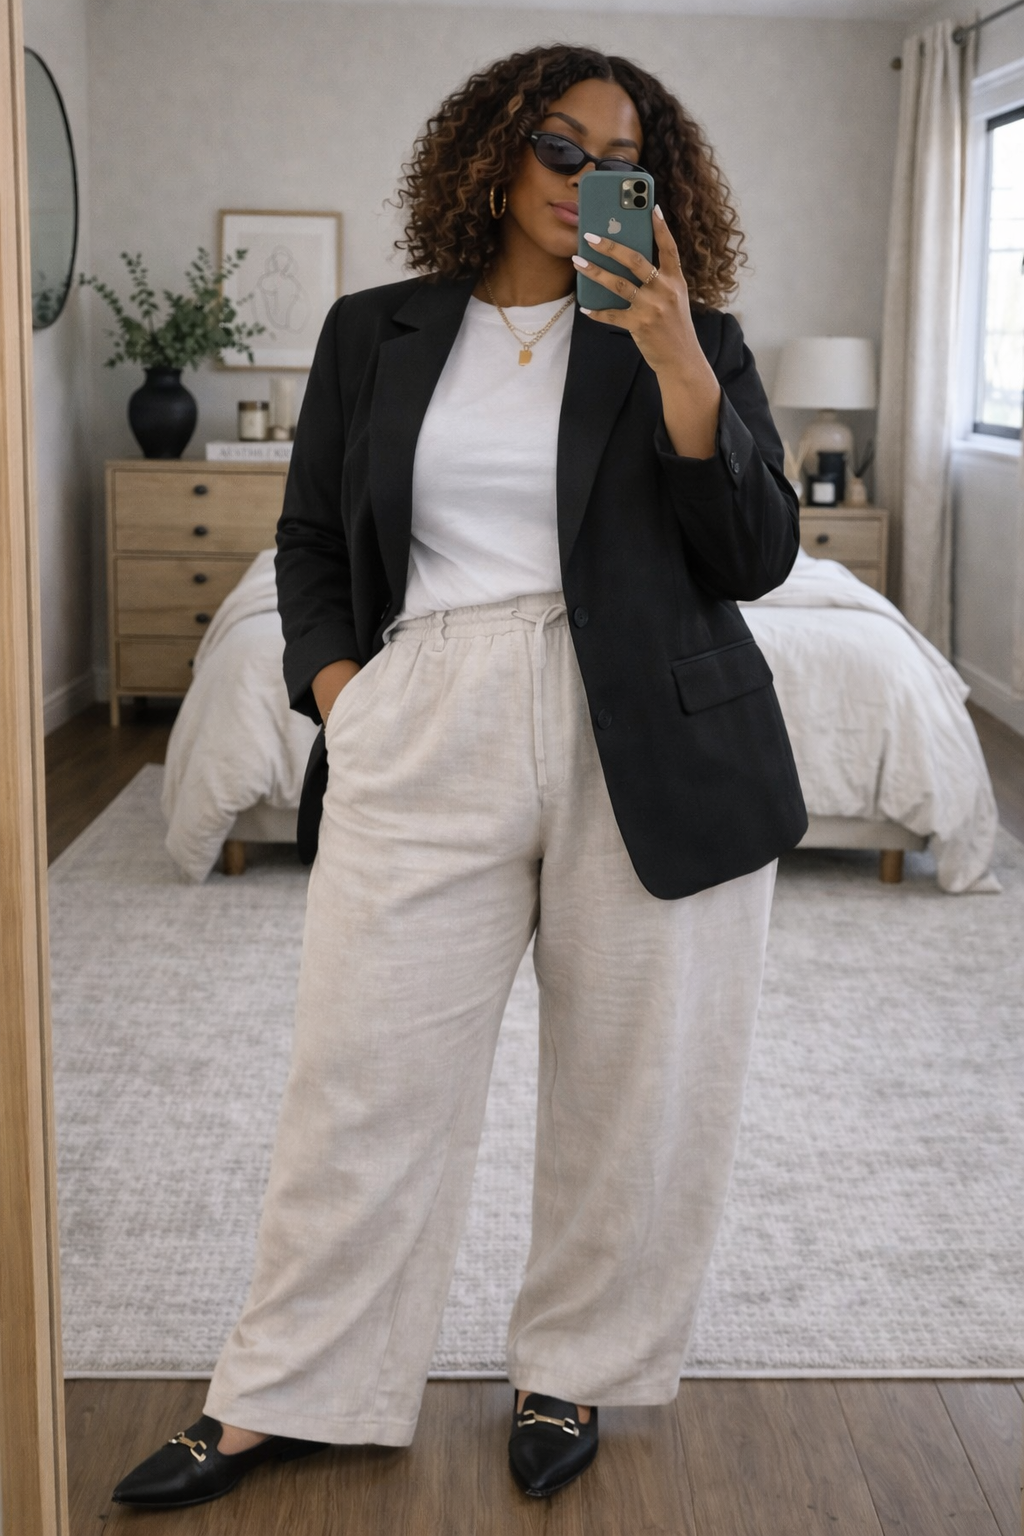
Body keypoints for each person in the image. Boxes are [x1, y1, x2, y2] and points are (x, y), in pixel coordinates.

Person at [112, 42, 806, 1511]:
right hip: (429, 707)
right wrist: (343, 697)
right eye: (560, 146)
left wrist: (681, 359)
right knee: (360, 1074)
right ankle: (286, 1388)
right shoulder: (376, 331)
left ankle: (574, 1368)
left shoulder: (694, 337)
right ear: (493, 153)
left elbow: (754, 557)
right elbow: (311, 540)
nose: (584, 179)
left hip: (652, 722)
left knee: (633, 1082)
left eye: (622, 163)